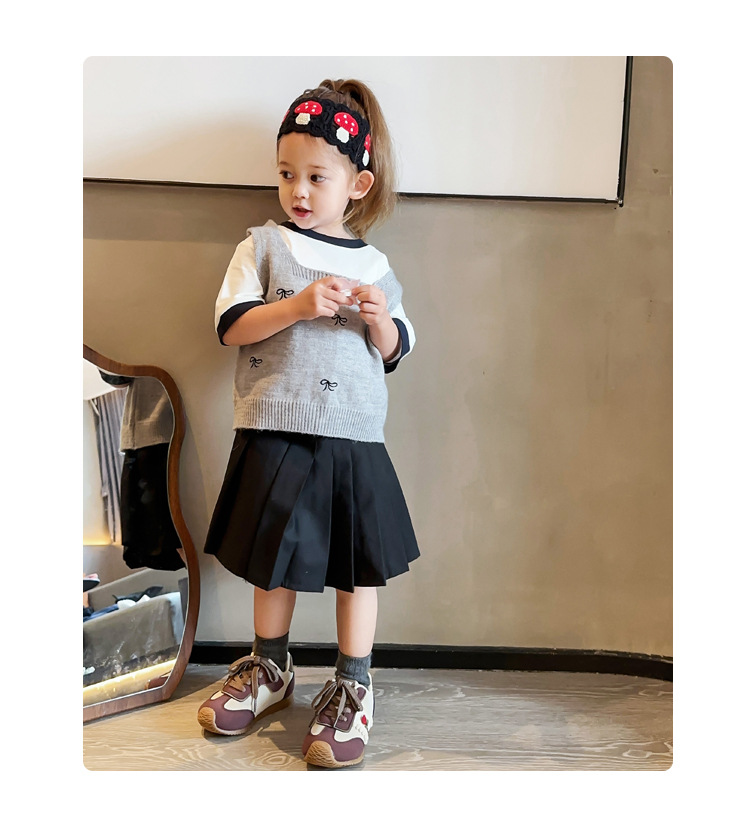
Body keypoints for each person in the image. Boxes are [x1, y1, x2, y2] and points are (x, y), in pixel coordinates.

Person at [197, 78, 419, 768]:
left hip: (353, 434)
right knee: (275, 557)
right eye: (287, 173)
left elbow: (397, 348)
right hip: (275, 425)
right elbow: (231, 326)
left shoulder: (376, 266)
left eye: (317, 177)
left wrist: (380, 322)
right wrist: (296, 306)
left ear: (357, 185)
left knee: (358, 568)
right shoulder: (262, 246)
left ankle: (353, 684)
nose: (298, 190)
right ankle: (270, 666)